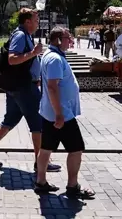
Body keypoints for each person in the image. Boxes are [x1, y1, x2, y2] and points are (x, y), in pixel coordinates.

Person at [0, 8, 61, 173]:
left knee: (9, 120)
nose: (38, 23)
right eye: (36, 20)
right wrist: (34, 53)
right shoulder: (20, 35)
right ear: (27, 21)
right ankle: (40, 163)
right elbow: (12, 59)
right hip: (23, 87)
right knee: (39, 124)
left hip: (18, 86)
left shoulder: (25, 35)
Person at [35, 27, 94, 199]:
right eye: (69, 38)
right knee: (76, 149)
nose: (72, 41)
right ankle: (72, 185)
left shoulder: (51, 55)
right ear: (59, 39)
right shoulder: (54, 59)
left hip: (50, 112)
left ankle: (41, 181)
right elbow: (53, 87)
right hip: (61, 115)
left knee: (46, 148)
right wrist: (59, 114)